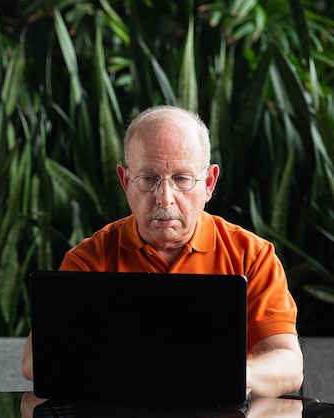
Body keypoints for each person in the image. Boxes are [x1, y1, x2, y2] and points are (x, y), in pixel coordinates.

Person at [21, 105, 304, 398]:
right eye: (148, 179)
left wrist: (223, 372)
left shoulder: (252, 256)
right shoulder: (89, 259)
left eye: (182, 179)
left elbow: (289, 365)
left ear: (208, 183)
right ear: (125, 181)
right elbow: (33, 362)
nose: (165, 198)